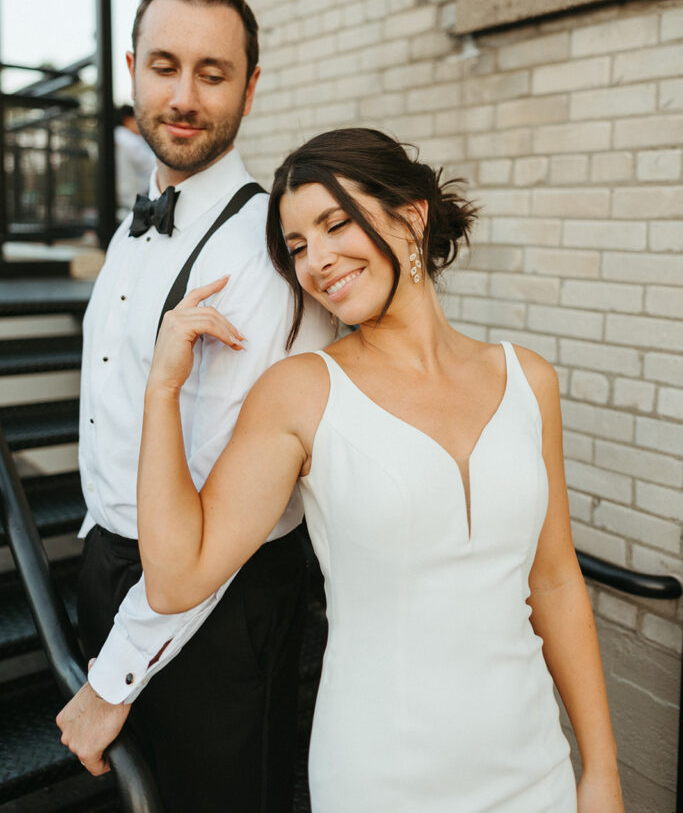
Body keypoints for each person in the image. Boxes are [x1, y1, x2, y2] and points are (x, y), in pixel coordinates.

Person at [137, 127, 625, 813]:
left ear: (411, 215)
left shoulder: (526, 380)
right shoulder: (302, 392)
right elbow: (174, 576)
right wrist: (161, 390)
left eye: (336, 223)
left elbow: (554, 581)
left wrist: (599, 769)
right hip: (383, 774)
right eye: (298, 247)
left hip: (532, 761)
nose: (317, 262)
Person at [56, 0, 333, 812]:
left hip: (219, 604)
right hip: (111, 569)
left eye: (211, 74)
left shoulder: (264, 254)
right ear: (133, 69)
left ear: (249, 89)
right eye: (164, 66)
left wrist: (110, 681)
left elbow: (221, 511)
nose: (182, 95)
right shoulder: (133, 220)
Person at [114, 103, 156, 220]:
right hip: (131, 203)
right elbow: (153, 166)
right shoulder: (129, 140)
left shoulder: (116, 137)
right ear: (127, 120)